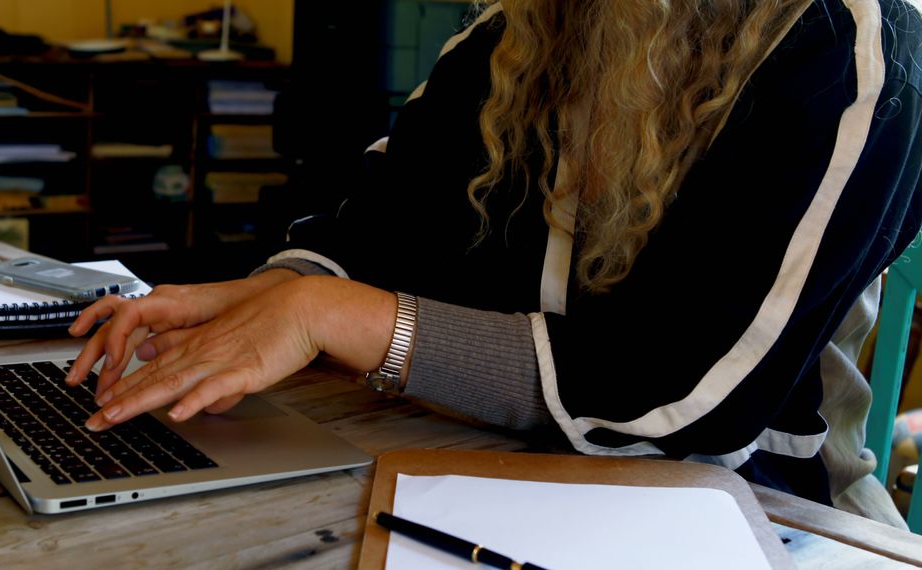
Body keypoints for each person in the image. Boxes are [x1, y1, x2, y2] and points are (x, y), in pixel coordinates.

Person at [66, 0, 922, 527]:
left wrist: (328, 318)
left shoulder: (850, 47)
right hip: (482, 473)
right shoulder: (530, 28)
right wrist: (273, 296)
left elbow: (682, 392)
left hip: (763, 511)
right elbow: (374, 221)